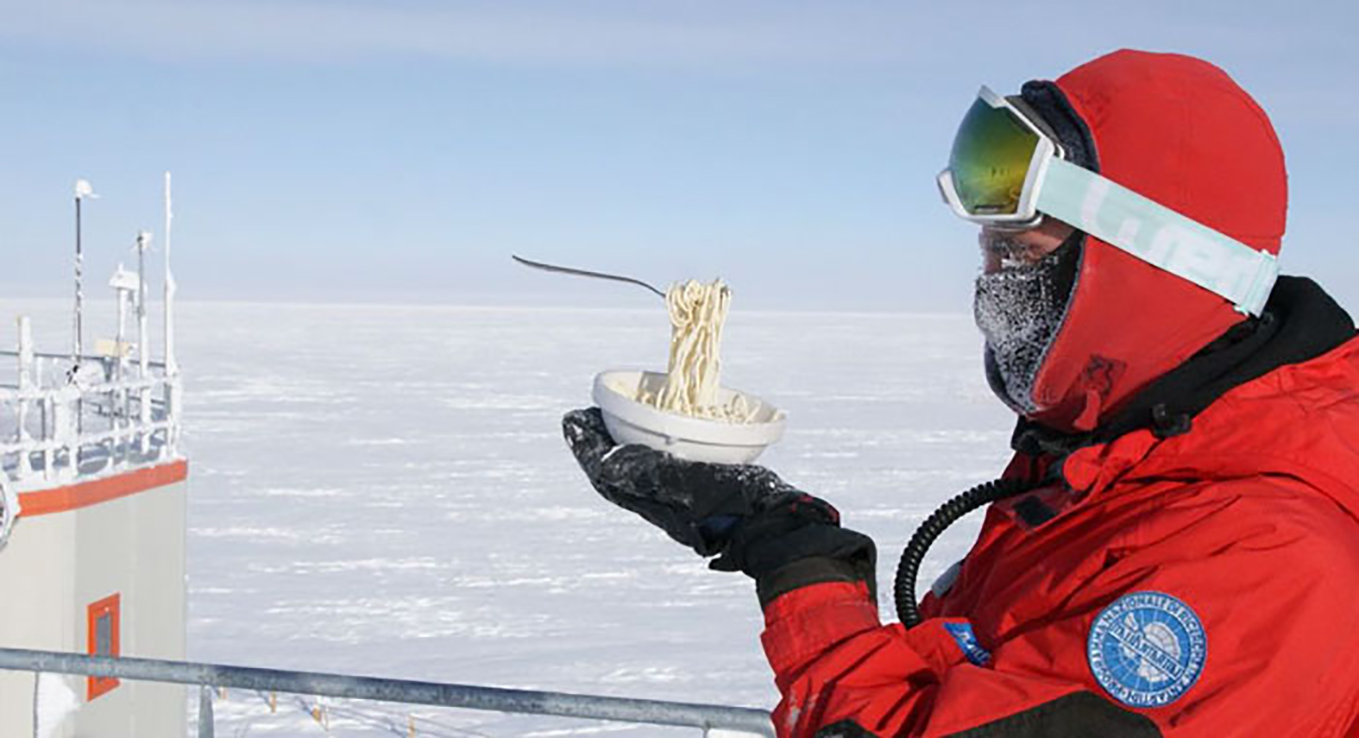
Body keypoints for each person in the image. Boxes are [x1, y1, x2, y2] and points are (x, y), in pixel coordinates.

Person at [563, 49, 1359, 736]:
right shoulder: (1113, 465)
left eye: (1016, 252)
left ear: (1147, 266)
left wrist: (801, 569)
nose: (989, 285)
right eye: (987, 250)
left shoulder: (1260, 567)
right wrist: (780, 530)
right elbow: (974, 683)